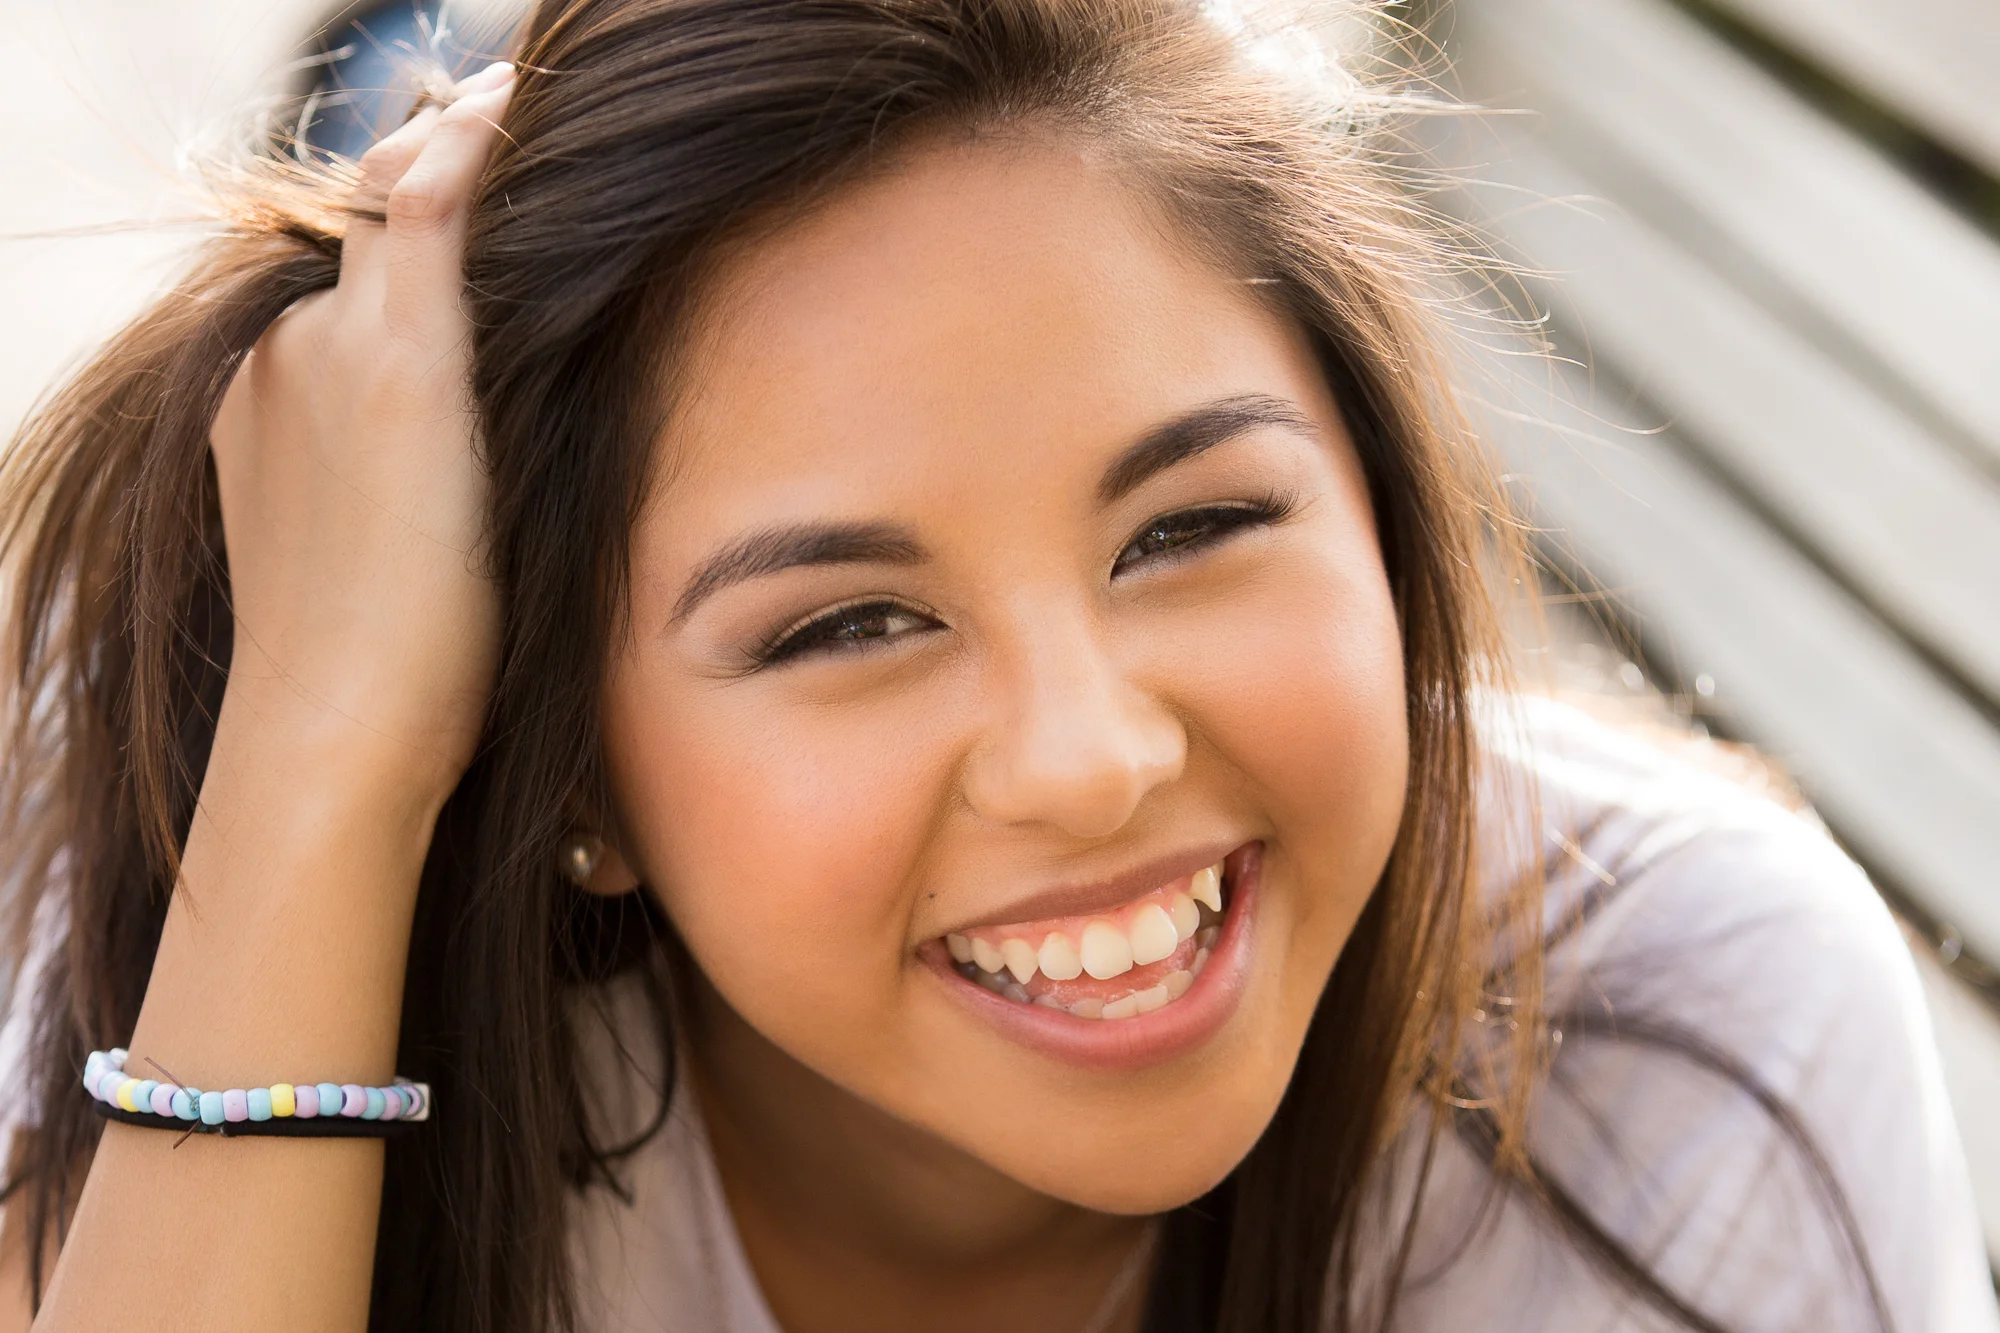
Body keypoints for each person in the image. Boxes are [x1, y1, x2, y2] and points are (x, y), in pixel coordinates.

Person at [0, 2, 1990, 1330]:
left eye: (1195, 524)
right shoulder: (269, 871)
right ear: (570, 769)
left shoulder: (1684, 1052)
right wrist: (331, 745)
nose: (1089, 757)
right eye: (845, 622)